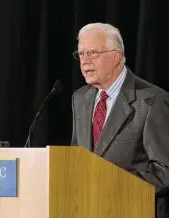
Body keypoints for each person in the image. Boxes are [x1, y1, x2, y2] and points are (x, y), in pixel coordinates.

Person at [71, 22, 169, 218]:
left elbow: (164, 172)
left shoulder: (152, 100)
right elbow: (75, 158)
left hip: (134, 210)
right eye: (81, 54)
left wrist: (112, 185)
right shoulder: (80, 98)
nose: (85, 61)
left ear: (116, 56)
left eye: (93, 53)